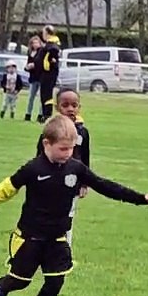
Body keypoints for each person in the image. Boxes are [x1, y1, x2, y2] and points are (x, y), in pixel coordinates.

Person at [0, 116, 148, 296]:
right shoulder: (33, 169)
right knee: (20, 281)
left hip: (57, 238)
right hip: (30, 237)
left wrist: (141, 198)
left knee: (56, 280)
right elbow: (4, 190)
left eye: (71, 149)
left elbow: (105, 186)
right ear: (46, 144)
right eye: (62, 149)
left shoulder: (75, 169)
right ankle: (3, 287)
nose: (67, 154)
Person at [34, 89, 91, 245]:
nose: (70, 109)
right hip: (50, 181)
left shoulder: (82, 132)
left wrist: (85, 183)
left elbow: (85, 157)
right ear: (58, 108)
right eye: (65, 105)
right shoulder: (49, 132)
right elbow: (39, 156)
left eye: (74, 105)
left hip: (72, 182)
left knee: (68, 215)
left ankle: (65, 248)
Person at [36, 25, 62, 122]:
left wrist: (51, 60)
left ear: (47, 33)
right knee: (44, 95)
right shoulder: (49, 44)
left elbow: (52, 56)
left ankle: (47, 115)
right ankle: (45, 114)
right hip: (45, 74)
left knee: (46, 94)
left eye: (43, 32)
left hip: (48, 74)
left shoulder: (52, 45)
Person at [23, 35, 44, 121]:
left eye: (37, 42)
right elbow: (28, 63)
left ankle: (40, 115)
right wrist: (27, 67)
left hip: (41, 77)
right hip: (33, 77)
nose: (35, 44)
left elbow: (41, 64)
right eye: (33, 43)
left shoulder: (42, 52)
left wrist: (35, 65)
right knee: (31, 97)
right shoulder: (30, 53)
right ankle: (28, 114)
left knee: (41, 97)